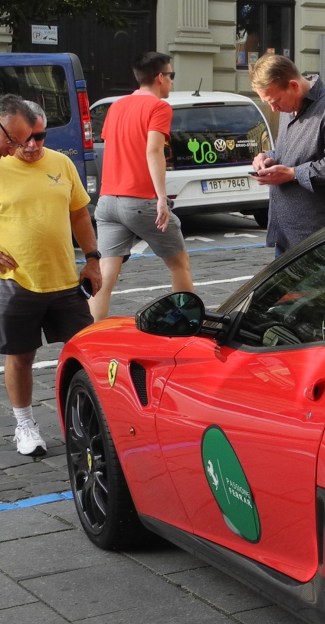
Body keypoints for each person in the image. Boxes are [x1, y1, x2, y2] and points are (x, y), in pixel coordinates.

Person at [0, 99, 101, 457]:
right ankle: (25, 423)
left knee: (86, 353)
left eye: (38, 137)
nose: (30, 146)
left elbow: (80, 215)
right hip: (16, 281)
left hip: (64, 281)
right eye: (22, 139)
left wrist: (92, 259)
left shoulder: (61, 163)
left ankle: (91, 419)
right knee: (20, 355)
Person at [95, 51, 194, 322]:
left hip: (108, 200)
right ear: (160, 77)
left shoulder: (116, 106)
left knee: (105, 275)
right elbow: (153, 151)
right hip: (139, 199)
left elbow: (109, 148)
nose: (172, 82)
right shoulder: (159, 107)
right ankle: (187, 321)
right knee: (179, 265)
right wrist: (162, 198)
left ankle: (92, 335)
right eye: (171, 76)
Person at [250, 54, 325, 254]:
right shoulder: (289, 106)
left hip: (320, 239)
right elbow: (294, 152)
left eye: (275, 101)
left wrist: (292, 173)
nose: (274, 109)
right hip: (287, 236)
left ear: (293, 85)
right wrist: (269, 157)